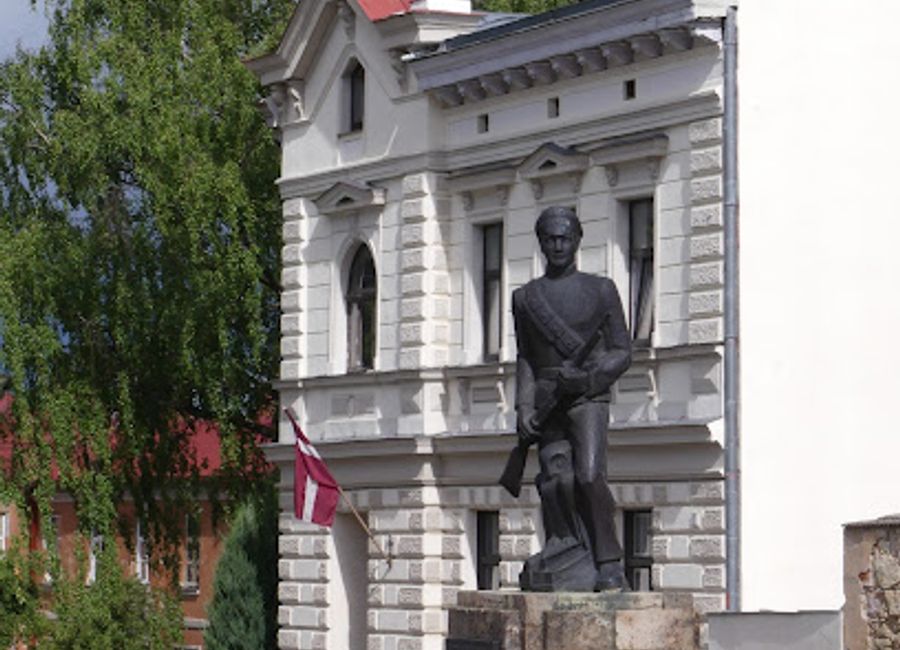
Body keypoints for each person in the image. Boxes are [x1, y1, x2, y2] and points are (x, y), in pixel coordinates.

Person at [511, 206, 632, 591]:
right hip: (548, 399)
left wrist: (587, 378)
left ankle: (609, 562)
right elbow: (527, 357)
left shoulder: (601, 290)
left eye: (565, 237)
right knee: (554, 479)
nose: (558, 245)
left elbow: (621, 351)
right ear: (541, 242)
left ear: (577, 240)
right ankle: (563, 547)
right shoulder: (525, 298)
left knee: (589, 475)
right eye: (550, 238)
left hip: (587, 397)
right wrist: (524, 407)